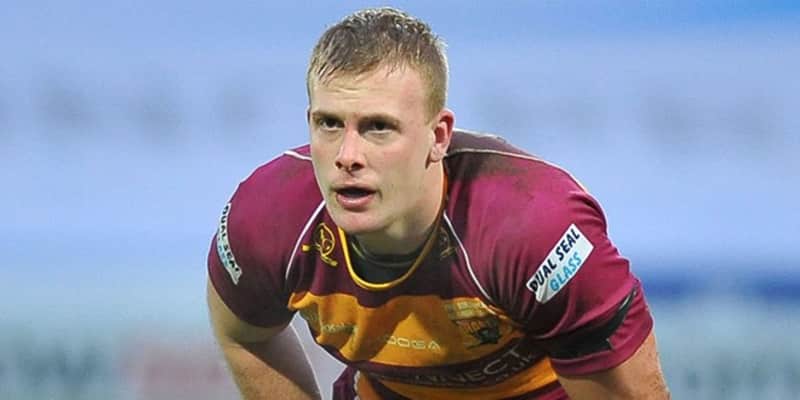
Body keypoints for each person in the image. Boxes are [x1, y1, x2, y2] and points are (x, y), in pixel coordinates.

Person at [206, 6, 670, 400]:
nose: (347, 156)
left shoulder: (533, 230)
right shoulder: (267, 221)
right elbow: (245, 336)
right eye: (329, 124)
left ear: (439, 136)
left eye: (378, 127)